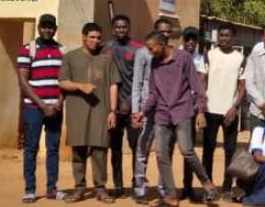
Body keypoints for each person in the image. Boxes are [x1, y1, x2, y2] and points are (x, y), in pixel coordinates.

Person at [138, 31, 218, 206]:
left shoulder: (183, 58)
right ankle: (171, 195)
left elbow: (196, 87)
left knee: (187, 150)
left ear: (162, 44)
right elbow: (153, 92)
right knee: (161, 155)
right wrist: (143, 112)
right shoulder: (154, 63)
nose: (150, 52)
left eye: (151, 48)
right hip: (161, 113)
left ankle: (207, 183)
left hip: (182, 111)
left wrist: (201, 111)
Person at [58, 23, 120, 203]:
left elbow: (113, 84)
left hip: (101, 110)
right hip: (77, 111)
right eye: (92, 37)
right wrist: (80, 86)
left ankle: (100, 188)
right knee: (78, 150)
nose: (95, 41)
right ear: (83, 37)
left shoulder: (106, 59)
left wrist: (112, 111)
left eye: (98, 37)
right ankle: (79, 188)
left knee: (100, 149)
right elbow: (62, 82)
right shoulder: (70, 57)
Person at [132, 18, 186, 203]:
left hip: (167, 109)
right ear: (154, 31)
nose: (165, 34)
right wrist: (136, 110)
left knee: (165, 151)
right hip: (147, 109)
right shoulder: (143, 54)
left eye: (168, 32)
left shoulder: (176, 55)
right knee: (143, 149)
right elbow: (137, 84)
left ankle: (165, 189)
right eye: (162, 31)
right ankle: (140, 188)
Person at [17, 14, 67, 203]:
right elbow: (23, 81)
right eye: (44, 27)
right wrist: (42, 105)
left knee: (53, 149)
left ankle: (52, 189)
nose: (48, 30)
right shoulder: (27, 50)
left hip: (55, 108)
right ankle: (29, 189)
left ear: (55, 28)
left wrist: (58, 103)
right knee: (31, 148)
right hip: (34, 108)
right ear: (39, 28)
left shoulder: (62, 50)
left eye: (51, 27)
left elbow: (64, 81)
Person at [196, 23, 246, 200]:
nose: (224, 38)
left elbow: (242, 86)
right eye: (221, 35)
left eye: (227, 35)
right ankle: (208, 187)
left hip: (229, 112)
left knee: (230, 150)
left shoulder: (240, 58)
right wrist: (201, 108)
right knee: (208, 150)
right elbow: (201, 82)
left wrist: (235, 107)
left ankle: (226, 188)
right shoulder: (209, 55)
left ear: (233, 37)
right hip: (210, 110)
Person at [103, 14, 145, 198]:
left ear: (129, 28)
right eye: (117, 27)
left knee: (137, 148)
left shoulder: (138, 49)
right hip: (112, 109)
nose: (121, 30)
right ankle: (118, 185)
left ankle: (137, 185)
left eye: (124, 27)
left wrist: (129, 102)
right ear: (113, 29)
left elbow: (142, 79)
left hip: (132, 107)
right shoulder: (105, 48)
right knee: (115, 148)